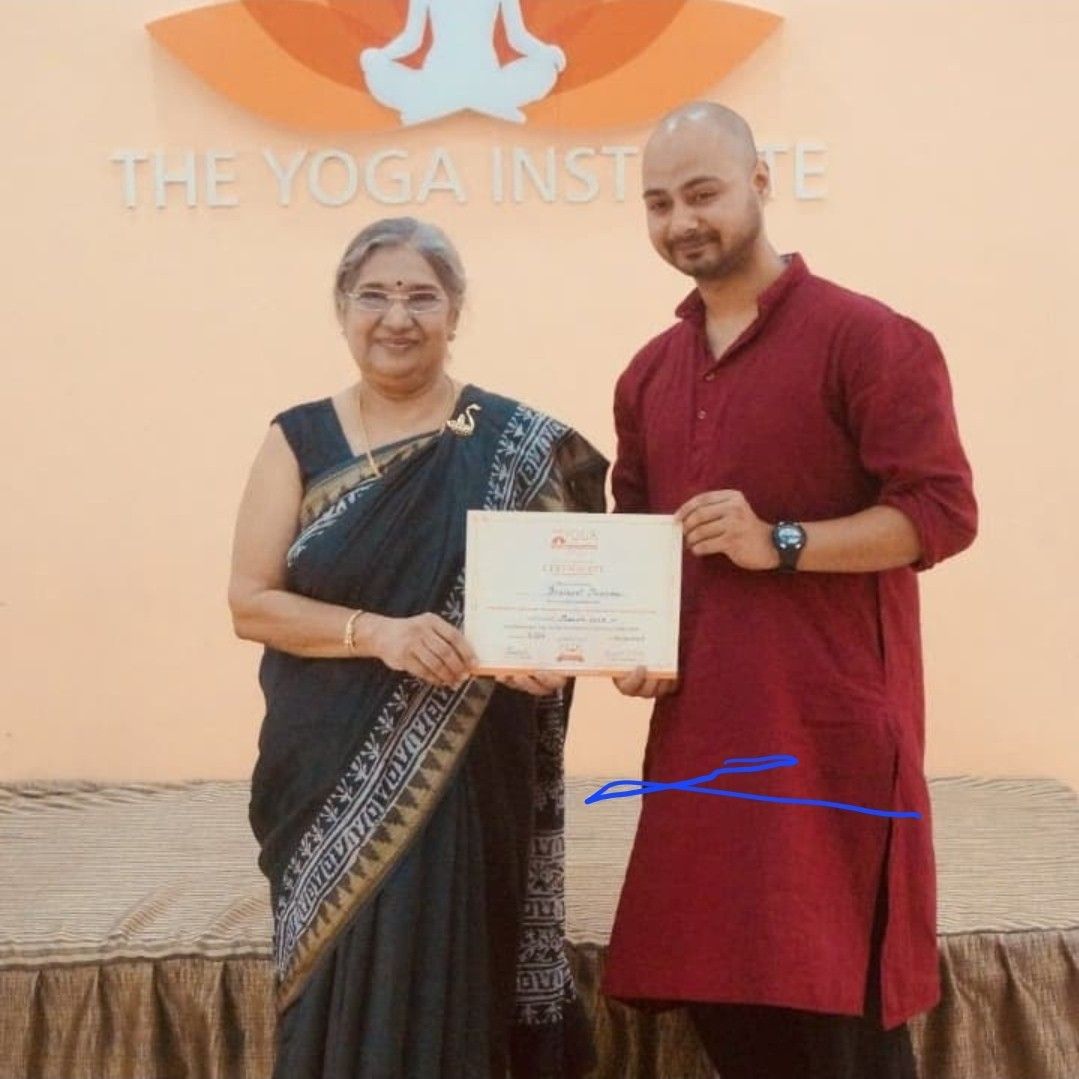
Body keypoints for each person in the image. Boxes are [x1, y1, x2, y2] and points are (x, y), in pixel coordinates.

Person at [601, 102, 978, 1079]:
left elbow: (940, 512)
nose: (681, 220)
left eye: (702, 193)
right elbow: (637, 545)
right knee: (729, 1014)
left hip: (828, 746)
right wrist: (631, 643)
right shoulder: (647, 374)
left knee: (838, 1022)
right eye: (657, 203)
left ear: (760, 184)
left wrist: (781, 540)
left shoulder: (869, 339)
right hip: (699, 744)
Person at [228, 217, 604, 1079]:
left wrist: (550, 649)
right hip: (322, 770)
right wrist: (378, 633)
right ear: (342, 309)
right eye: (374, 295)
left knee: (456, 980)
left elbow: (567, 595)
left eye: (421, 297)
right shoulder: (298, 439)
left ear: (454, 312)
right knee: (332, 986)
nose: (396, 317)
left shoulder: (515, 442)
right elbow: (250, 602)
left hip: (470, 766)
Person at [360, 0, 566, 125]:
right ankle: (482, 104)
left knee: (545, 68)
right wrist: (381, 56)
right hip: (437, 82)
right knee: (377, 68)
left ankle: (474, 103)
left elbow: (517, 37)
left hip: (485, 80)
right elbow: (412, 39)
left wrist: (546, 53)